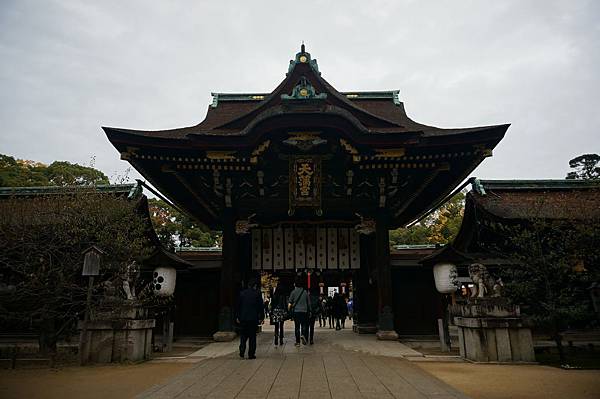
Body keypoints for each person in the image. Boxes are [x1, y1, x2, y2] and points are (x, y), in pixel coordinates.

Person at [236, 278, 264, 359]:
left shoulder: (242, 294)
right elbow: (260, 307)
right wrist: (261, 317)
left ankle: (242, 350)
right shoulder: (257, 294)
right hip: (253, 318)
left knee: (243, 336)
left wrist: (237, 316)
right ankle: (251, 354)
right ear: (255, 285)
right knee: (252, 337)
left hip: (243, 318)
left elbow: (238, 306)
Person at [288, 277, 310, 346]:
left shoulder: (293, 292)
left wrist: (289, 310)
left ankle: (297, 342)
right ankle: (303, 334)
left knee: (297, 326)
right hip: (304, 311)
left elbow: (289, 303)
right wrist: (310, 310)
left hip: (296, 312)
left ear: (295, 284)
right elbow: (308, 303)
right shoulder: (305, 292)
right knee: (304, 325)